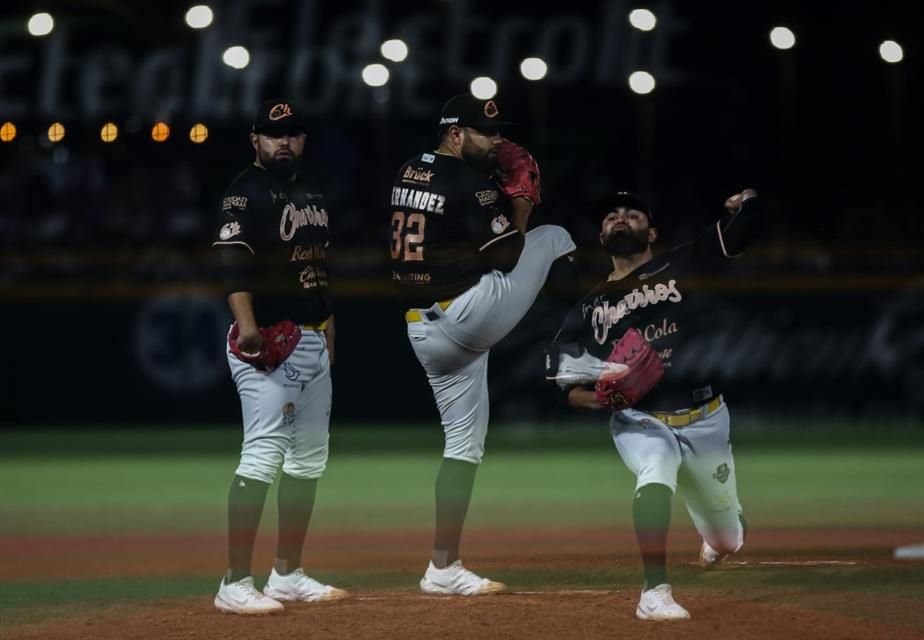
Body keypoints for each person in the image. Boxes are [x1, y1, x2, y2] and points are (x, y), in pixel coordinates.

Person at [389, 94, 577, 595]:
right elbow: (510, 255)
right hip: (466, 312)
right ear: (455, 134)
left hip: (423, 331)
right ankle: (600, 321)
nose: (496, 141)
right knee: (554, 236)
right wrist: (520, 200)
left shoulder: (410, 169)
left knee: (463, 448)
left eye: (497, 132)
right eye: (484, 132)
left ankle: (442, 568)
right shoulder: (469, 182)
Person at [547, 190, 759, 620]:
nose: (620, 218)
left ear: (652, 231)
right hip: (640, 419)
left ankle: (722, 530)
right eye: (610, 216)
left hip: (706, 417)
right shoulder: (587, 310)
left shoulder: (684, 262)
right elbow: (566, 387)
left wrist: (750, 205)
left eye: (632, 213)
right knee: (656, 467)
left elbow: (746, 230)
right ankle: (654, 593)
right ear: (601, 235)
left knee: (726, 541)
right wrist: (605, 399)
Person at [211, 98, 347, 614]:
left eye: (291, 133)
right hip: (264, 340)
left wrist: (328, 326)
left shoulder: (310, 189)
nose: (283, 141)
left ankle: (287, 573)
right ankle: (233, 583)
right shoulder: (243, 194)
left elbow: (318, 264)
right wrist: (246, 325)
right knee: (263, 455)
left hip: (311, 335)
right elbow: (232, 264)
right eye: (273, 134)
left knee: (310, 460)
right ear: (255, 141)